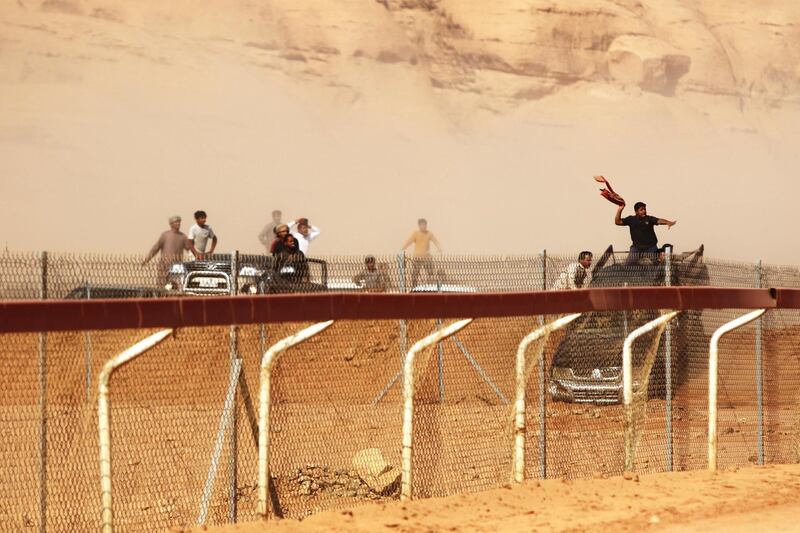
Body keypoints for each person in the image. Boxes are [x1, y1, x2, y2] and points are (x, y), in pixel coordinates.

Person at [142, 215, 188, 285]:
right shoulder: (165, 235)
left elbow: (190, 249)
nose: (178, 224)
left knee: (173, 284)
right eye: (176, 222)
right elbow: (155, 248)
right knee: (162, 283)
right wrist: (147, 259)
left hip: (176, 266)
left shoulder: (183, 237)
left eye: (179, 222)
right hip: (164, 264)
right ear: (171, 224)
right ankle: (161, 294)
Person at [401, 218, 442, 288]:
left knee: (431, 273)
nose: (424, 226)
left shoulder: (429, 233)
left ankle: (430, 286)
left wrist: (439, 248)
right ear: (419, 226)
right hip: (417, 257)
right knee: (414, 274)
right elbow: (409, 241)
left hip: (427, 257)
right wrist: (402, 249)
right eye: (422, 225)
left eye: (425, 225)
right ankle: (414, 287)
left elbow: (436, 241)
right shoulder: (416, 234)